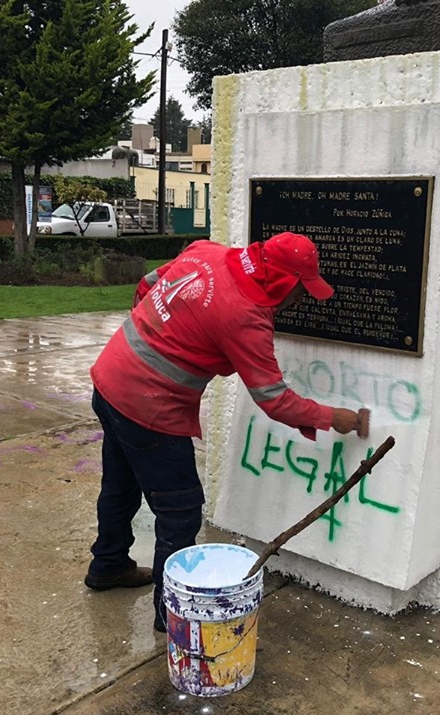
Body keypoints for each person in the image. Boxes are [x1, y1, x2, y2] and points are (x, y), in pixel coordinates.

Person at [84, 232, 363, 632]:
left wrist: (154, 334)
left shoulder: (208, 252)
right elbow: (273, 398)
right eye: (302, 291)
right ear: (283, 282)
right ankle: (173, 615)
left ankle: (108, 565)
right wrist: (333, 417)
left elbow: (147, 284)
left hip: (110, 377)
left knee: (120, 484)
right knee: (179, 512)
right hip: (149, 409)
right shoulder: (245, 316)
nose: (301, 301)